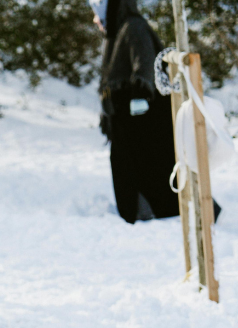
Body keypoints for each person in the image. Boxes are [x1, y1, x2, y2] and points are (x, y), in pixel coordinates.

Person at [92, 0, 181, 224]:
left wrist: (137, 101)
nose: (96, 20)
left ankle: (147, 214)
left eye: (98, 14)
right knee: (131, 168)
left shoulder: (133, 27)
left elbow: (144, 65)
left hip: (142, 120)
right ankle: (139, 213)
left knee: (147, 167)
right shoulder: (120, 31)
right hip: (129, 120)